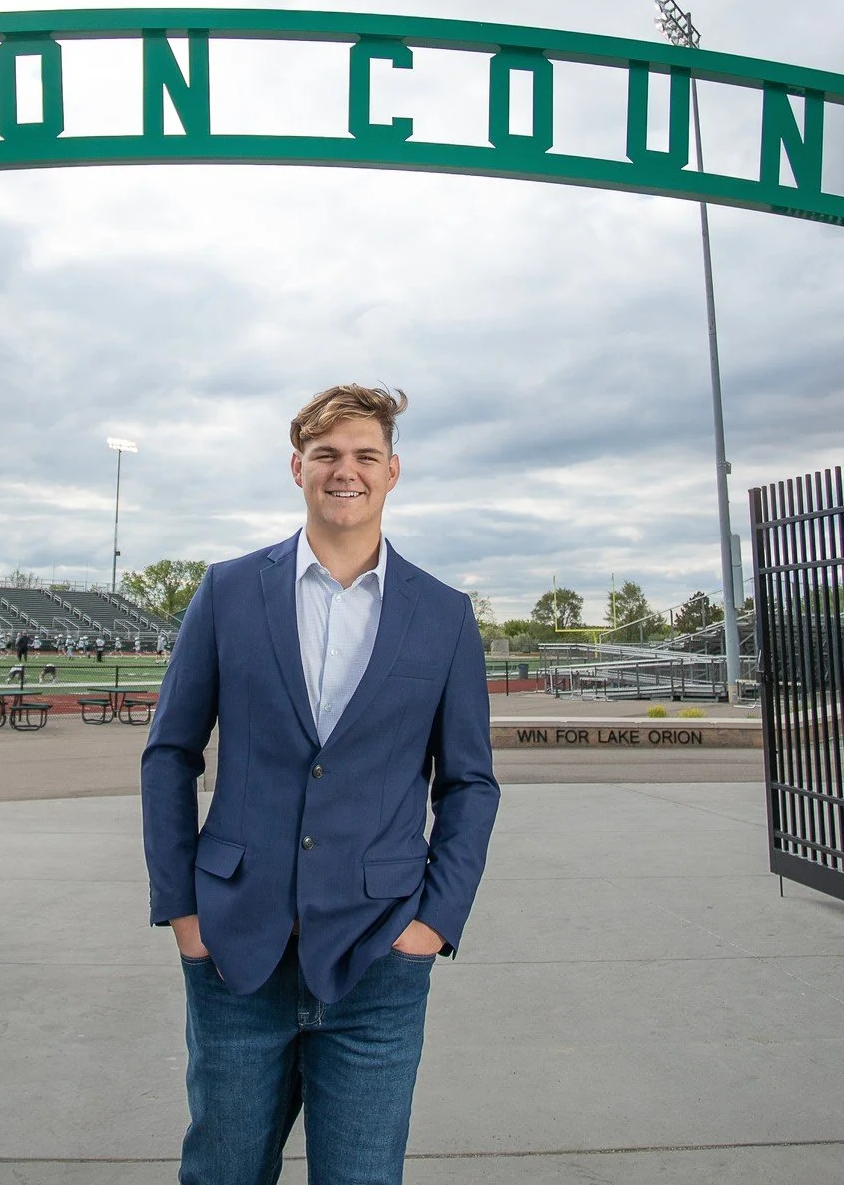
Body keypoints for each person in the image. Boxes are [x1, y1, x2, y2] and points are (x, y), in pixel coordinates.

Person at [142, 384, 498, 1185]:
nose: (347, 471)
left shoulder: (443, 614)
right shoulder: (228, 590)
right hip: (236, 951)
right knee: (223, 1173)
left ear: (393, 471)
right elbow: (170, 753)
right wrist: (183, 910)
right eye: (328, 454)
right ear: (297, 467)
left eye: (365, 455)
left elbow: (470, 782)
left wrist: (434, 923)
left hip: (380, 955)